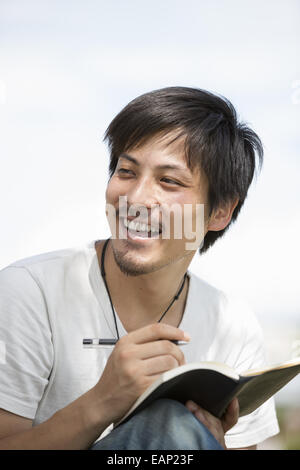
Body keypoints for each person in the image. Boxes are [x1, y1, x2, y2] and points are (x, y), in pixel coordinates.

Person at [0, 86, 279, 450]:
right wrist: (101, 401)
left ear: (221, 211)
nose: (135, 199)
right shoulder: (29, 291)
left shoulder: (232, 325)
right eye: (127, 171)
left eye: (169, 181)